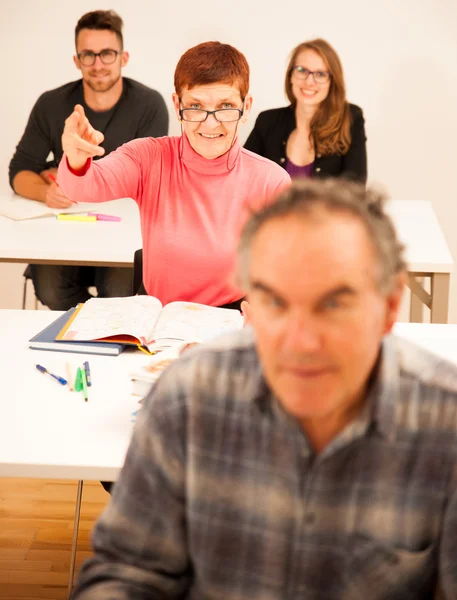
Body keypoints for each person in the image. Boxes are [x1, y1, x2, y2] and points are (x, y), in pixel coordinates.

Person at [72, 178, 457, 599]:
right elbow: (128, 573)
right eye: (275, 302)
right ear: (248, 306)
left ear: (388, 305)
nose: (301, 343)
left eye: (334, 304)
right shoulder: (187, 398)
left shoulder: (445, 424)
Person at [57, 41, 290, 312]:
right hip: (157, 316)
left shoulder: (271, 182)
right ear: (177, 105)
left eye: (226, 106)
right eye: (195, 106)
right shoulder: (147, 157)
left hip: (233, 320)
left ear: (246, 107)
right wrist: (76, 156)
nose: (210, 123)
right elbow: (85, 187)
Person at [8, 10, 168, 310]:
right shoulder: (51, 104)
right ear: (76, 60)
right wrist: (46, 190)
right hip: (64, 231)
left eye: (107, 54)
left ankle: (99, 329)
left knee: (122, 292)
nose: (97, 64)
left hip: (123, 233)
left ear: (124, 57)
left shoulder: (150, 105)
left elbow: (150, 178)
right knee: (51, 289)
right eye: (88, 55)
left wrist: (62, 171)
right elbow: (19, 172)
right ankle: (91, 328)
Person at [245, 38, 367, 183]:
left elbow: (355, 191)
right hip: (271, 207)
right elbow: (243, 179)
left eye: (320, 74)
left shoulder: (351, 119)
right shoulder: (267, 121)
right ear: (290, 76)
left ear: (332, 81)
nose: (309, 82)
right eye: (302, 70)